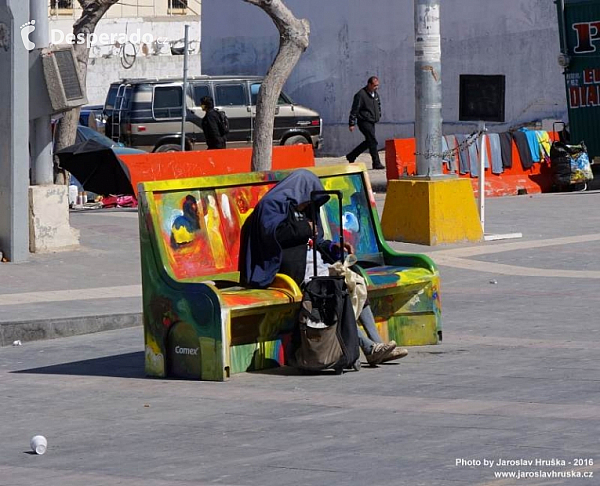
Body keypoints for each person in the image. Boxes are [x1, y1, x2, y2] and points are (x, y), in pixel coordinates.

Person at [241, 169, 407, 365]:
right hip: (284, 269)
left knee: (353, 279)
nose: (309, 207)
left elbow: (316, 240)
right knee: (333, 291)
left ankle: (377, 343)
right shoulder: (272, 206)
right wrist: (305, 229)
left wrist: (332, 246)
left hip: (313, 264)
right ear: (301, 191)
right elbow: (273, 237)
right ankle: (368, 347)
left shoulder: (306, 208)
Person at [346, 76, 385, 170]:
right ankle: (376, 163)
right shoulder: (360, 95)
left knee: (369, 141)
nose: (376, 87)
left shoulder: (375, 94)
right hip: (364, 121)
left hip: (372, 121)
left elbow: (378, 105)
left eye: (377, 85)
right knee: (373, 141)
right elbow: (354, 109)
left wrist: (378, 114)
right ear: (369, 84)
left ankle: (352, 155)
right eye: (375, 85)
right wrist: (352, 123)